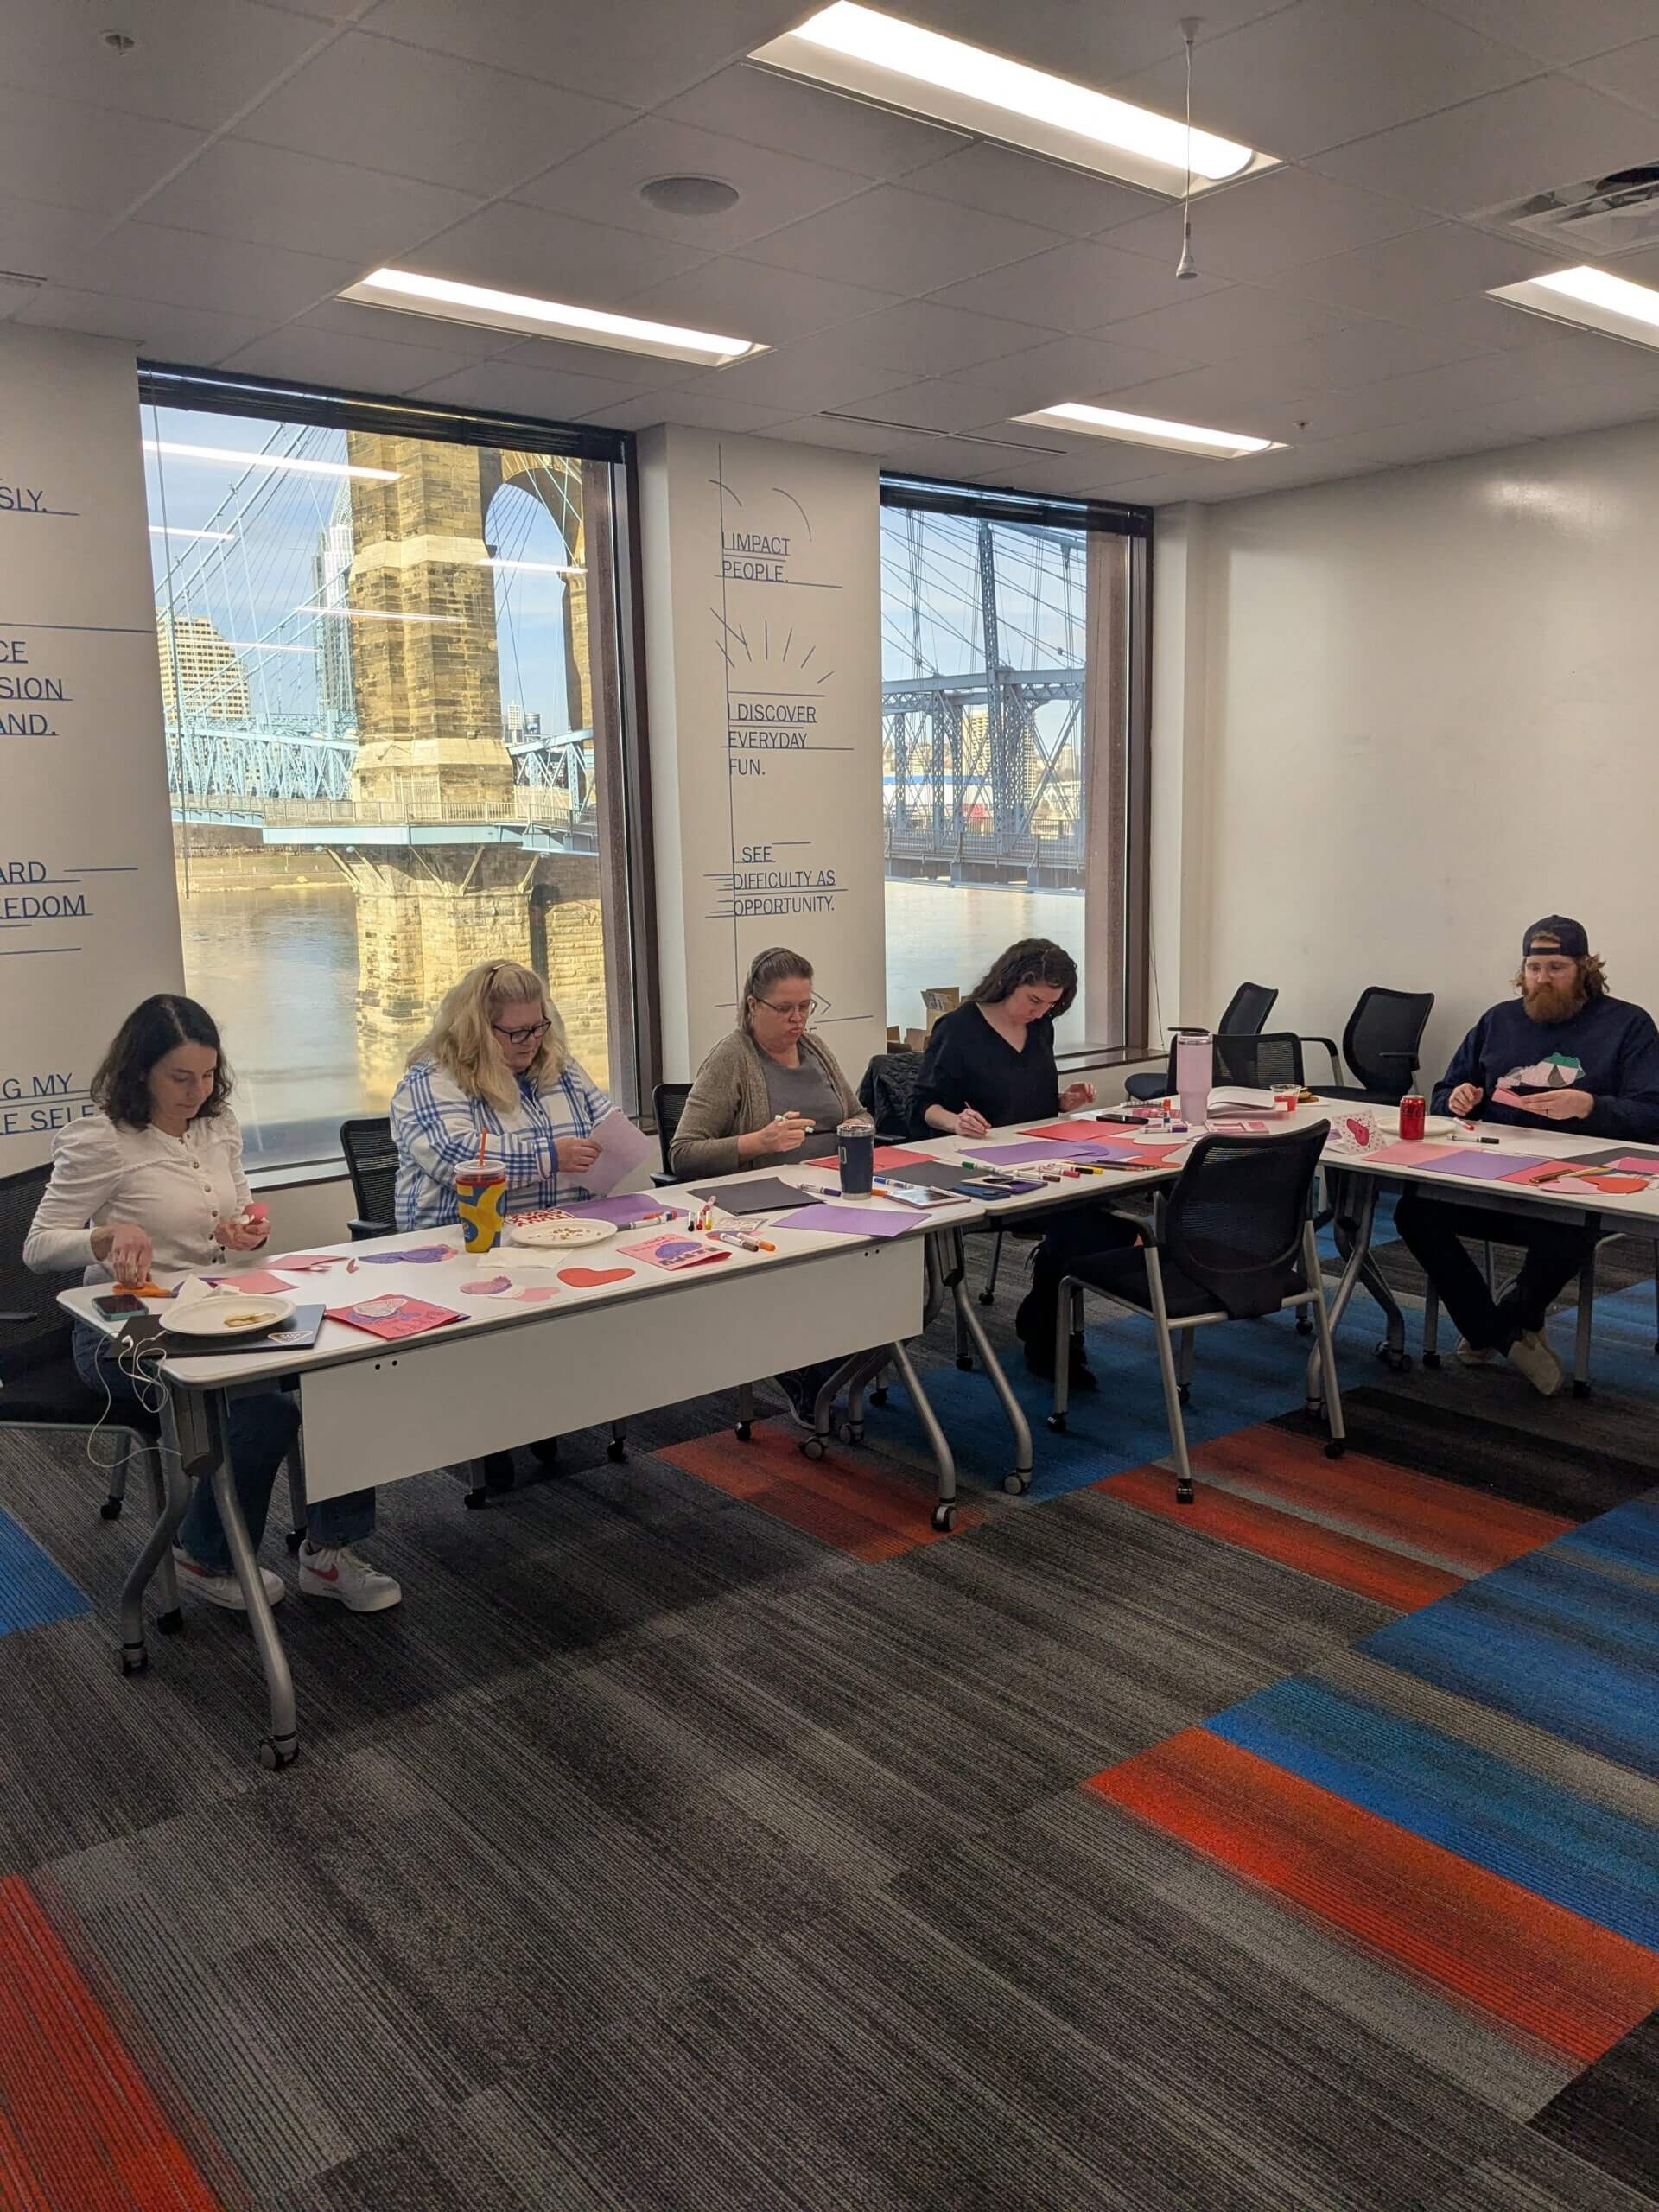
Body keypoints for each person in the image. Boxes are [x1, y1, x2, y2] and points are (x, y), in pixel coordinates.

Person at [25, 995, 399, 1612]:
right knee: (265, 1411)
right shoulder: (104, 1141)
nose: (196, 1091)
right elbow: (38, 1248)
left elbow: (243, 1208)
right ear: (140, 1070)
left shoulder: (216, 1125)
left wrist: (244, 1230)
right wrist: (104, 1235)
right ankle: (205, 1554)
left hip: (222, 1308)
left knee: (346, 1370)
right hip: (122, 1328)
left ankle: (330, 1553)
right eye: (180, 1077)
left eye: (206, 1075)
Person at [1395, 916, 1659, 1395]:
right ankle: (1501, 1332)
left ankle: (1502, 1322)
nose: (1542, 978)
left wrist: (1591, 1106)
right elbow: (1444, 1090)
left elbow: (1652, 1112)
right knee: (1414, 1210)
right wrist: (1456, 1098)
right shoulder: (1499, 1020)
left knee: (1575, 1225)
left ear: (1584, 968)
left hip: (1573, 1181)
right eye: (1534, 967)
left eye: (1556, 966)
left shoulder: (1628, 1025)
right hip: (1486, 1171)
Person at [392, 959, 619, 1483]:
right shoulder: (432, 1079)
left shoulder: (557, 1066)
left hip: (557, 1239)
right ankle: (492, 1425)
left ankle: (543, 1408)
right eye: (515, 1032)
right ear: (476, 1027)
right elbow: (457, 1157)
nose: (530, 1042)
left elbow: (605, 1126)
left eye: (538, 1027)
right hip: (464, 1251)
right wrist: (550, 1156)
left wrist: (611, 1150)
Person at [912, 938, 1126, 1386]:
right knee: (1087, 1224)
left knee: (1106, 1216)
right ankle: (1048, 1335)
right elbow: (922, 1107)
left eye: (1051, 1004)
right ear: (1008, 981)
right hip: (980, 1169)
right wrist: (955, 1122)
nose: (1041, 1012)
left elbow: (1032, 1103)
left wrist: (1064, 1101)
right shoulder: (959, 1028)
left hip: (1041, 1161)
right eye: (1034, 1000)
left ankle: (1044, 1318)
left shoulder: (1040, 1030)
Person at [671, 947, 861, 1427]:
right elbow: (683, 1152)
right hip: (765, 1207)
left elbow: (859, 1115)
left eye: (806, 1006)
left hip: (831, 1194)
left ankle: (848, 1358)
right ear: (753, 1005)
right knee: (823, 1271)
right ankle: (808, 1369)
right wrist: (758, 1141)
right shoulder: (733, 1057)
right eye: (785, 1009)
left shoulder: (816, 1049)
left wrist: (852, 1132)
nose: (797, 1020)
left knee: (894, 1259)